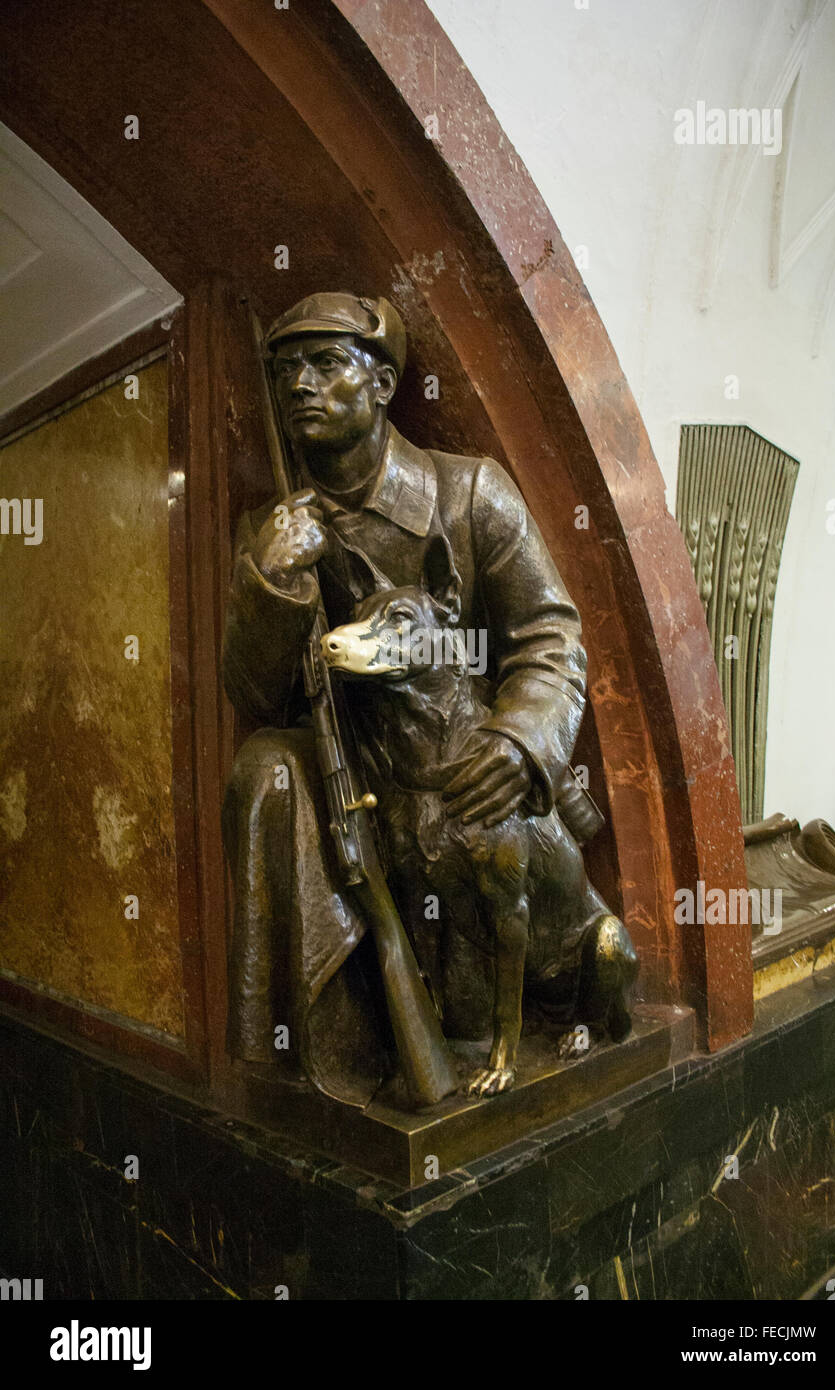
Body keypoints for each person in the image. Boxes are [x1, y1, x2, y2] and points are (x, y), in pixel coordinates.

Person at [222, 292, 605, 1105]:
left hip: (465, 779)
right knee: (263, 768)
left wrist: (520, 741)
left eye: (326, 364)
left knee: (477, 1013)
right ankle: (319, 1050)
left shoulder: (470, 494)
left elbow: (551, 636)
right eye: (286, 369)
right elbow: (256, 696)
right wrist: (271, 582)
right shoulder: (271, 531)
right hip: (359, 783)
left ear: (384, 382)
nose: (299, 385)